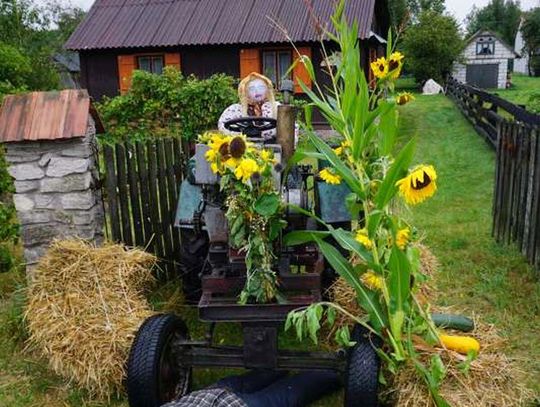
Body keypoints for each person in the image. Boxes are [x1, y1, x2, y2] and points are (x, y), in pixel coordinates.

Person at [162, 369, 341, 407]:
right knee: (239, 383)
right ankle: (278, 366)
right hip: (201, 398)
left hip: (229, 403)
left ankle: (336, 372)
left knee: (284, 396)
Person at [218, 72, 279, 141]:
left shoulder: (276, 107)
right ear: (245, 92)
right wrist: (239, 135)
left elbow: (286, 128)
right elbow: (223, 127)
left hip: (272, 143)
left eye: (261, 87)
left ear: (267, 90)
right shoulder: (235, 109)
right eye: (252, 89)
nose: (257, 91)